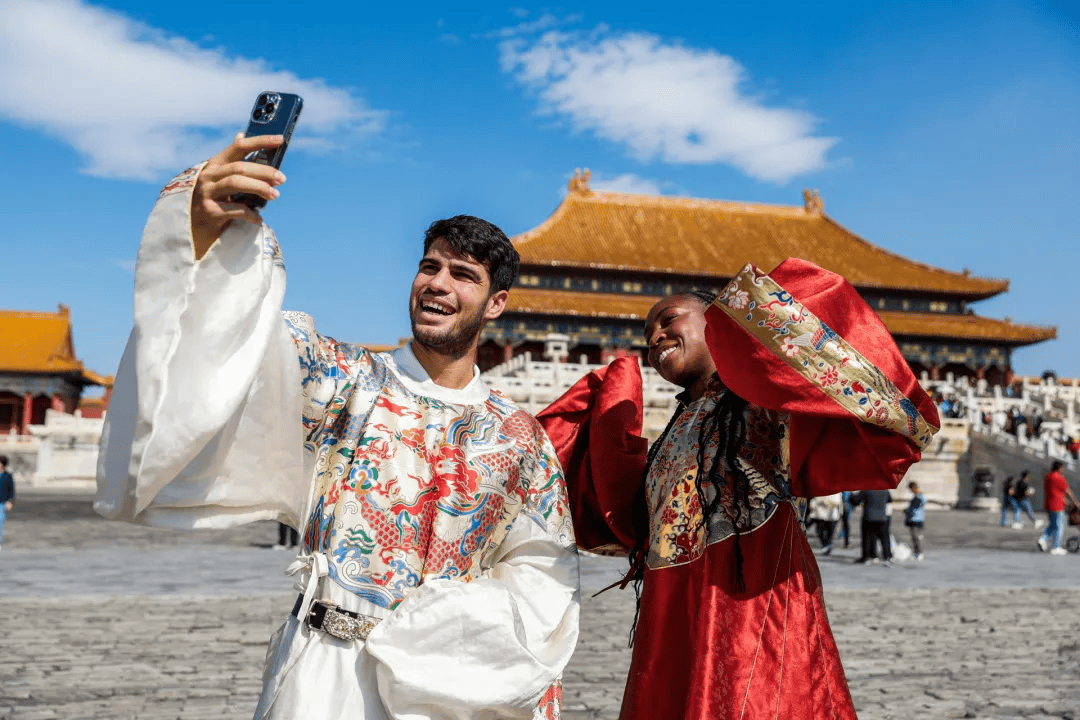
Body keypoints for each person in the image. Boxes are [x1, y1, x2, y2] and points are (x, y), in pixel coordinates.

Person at [95, 134, 578, 719]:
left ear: (495, 303)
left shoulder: (518, 436)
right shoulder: (342, 378)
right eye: (429, 266)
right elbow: (228, 336)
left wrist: (459, 635)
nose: (437, 283)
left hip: (450, 686)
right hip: (329, 673)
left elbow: (543, 570)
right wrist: (204, 232)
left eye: (462, 274)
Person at [537, 260, 939, 720]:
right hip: (673, 602)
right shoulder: (677, 426)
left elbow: (861, 396)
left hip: (751, 597)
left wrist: (756, 317)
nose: (655, 338)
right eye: (648, 336)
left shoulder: (764, 401)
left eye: (669, 320)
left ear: (717, 322)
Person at [1036, 461, 1079, 556]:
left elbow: (1055, 491)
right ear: (1059, 468)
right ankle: (1056, 547)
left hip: (1049, 504)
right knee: (1059, 527)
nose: (1063, 469)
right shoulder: (1059, 477)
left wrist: (1064, 500)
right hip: (1057, 506)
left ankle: (1042, 540)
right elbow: (1067, 491)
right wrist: (1074, 501)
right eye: (1062, 468)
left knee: (1052, 525)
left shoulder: (1048, 477)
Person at [852, 489, 894, 564]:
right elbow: (890, 500)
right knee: (885, 538)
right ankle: (887, 556)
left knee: (867, 538)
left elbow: (856, 501)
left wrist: (851, 494)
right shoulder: (885, 490)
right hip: (882, 517)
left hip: (869, 517)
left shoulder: (866, 490)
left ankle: (866, 557)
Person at [904, 481, 926, 560]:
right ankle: (918, 552)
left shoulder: (918, 496)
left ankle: (918, 553)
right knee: (917, 537)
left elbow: (915, 508)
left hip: (915, 519)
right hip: (919, 519)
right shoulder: (920, 496)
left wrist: (907, 511)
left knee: (916, 537)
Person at [0, 455, 14, 551]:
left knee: (0, 522)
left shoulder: (7, 476)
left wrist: (10, 501)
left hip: (2, 503)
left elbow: (11, 489)